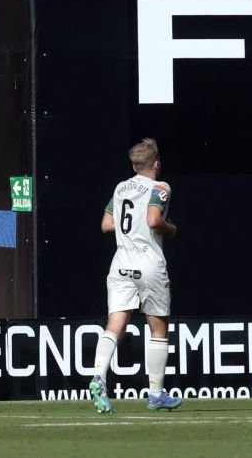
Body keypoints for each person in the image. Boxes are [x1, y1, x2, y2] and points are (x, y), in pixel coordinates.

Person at [90, 138, 181, 413]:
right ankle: (155, 395)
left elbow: (107, 224)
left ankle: (98, 376)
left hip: (120, 264)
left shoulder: (120, 188)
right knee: (158, 328)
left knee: (115, 323)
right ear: (157, 163)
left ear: (133, 165)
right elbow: (154, 220)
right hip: (148, 263)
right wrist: (170, 228)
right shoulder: (160, 187)